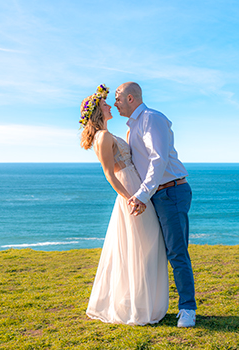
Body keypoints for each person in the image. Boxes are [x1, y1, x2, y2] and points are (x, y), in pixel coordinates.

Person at [80, 84, 169, 325]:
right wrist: (129, 196)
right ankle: (139, 305)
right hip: (130, 189)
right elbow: (109, 173)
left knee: (146, 244)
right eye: (105, 104)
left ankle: (142, 302)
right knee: (142, 245)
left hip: (135, 186)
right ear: (98, 111)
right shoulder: (104, 136)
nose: (110, 105)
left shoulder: (110, 134)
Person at [114, 82, 197, 328]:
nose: (115, 103)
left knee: (177, 252)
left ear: (130, 98)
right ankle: (153, 304)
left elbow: (158, 159)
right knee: (154, 251)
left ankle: (187, 309)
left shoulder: (151, 118)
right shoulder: (133, 126)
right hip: (154, 195)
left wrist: (140, 195)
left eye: (118, 98)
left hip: (171, 192)